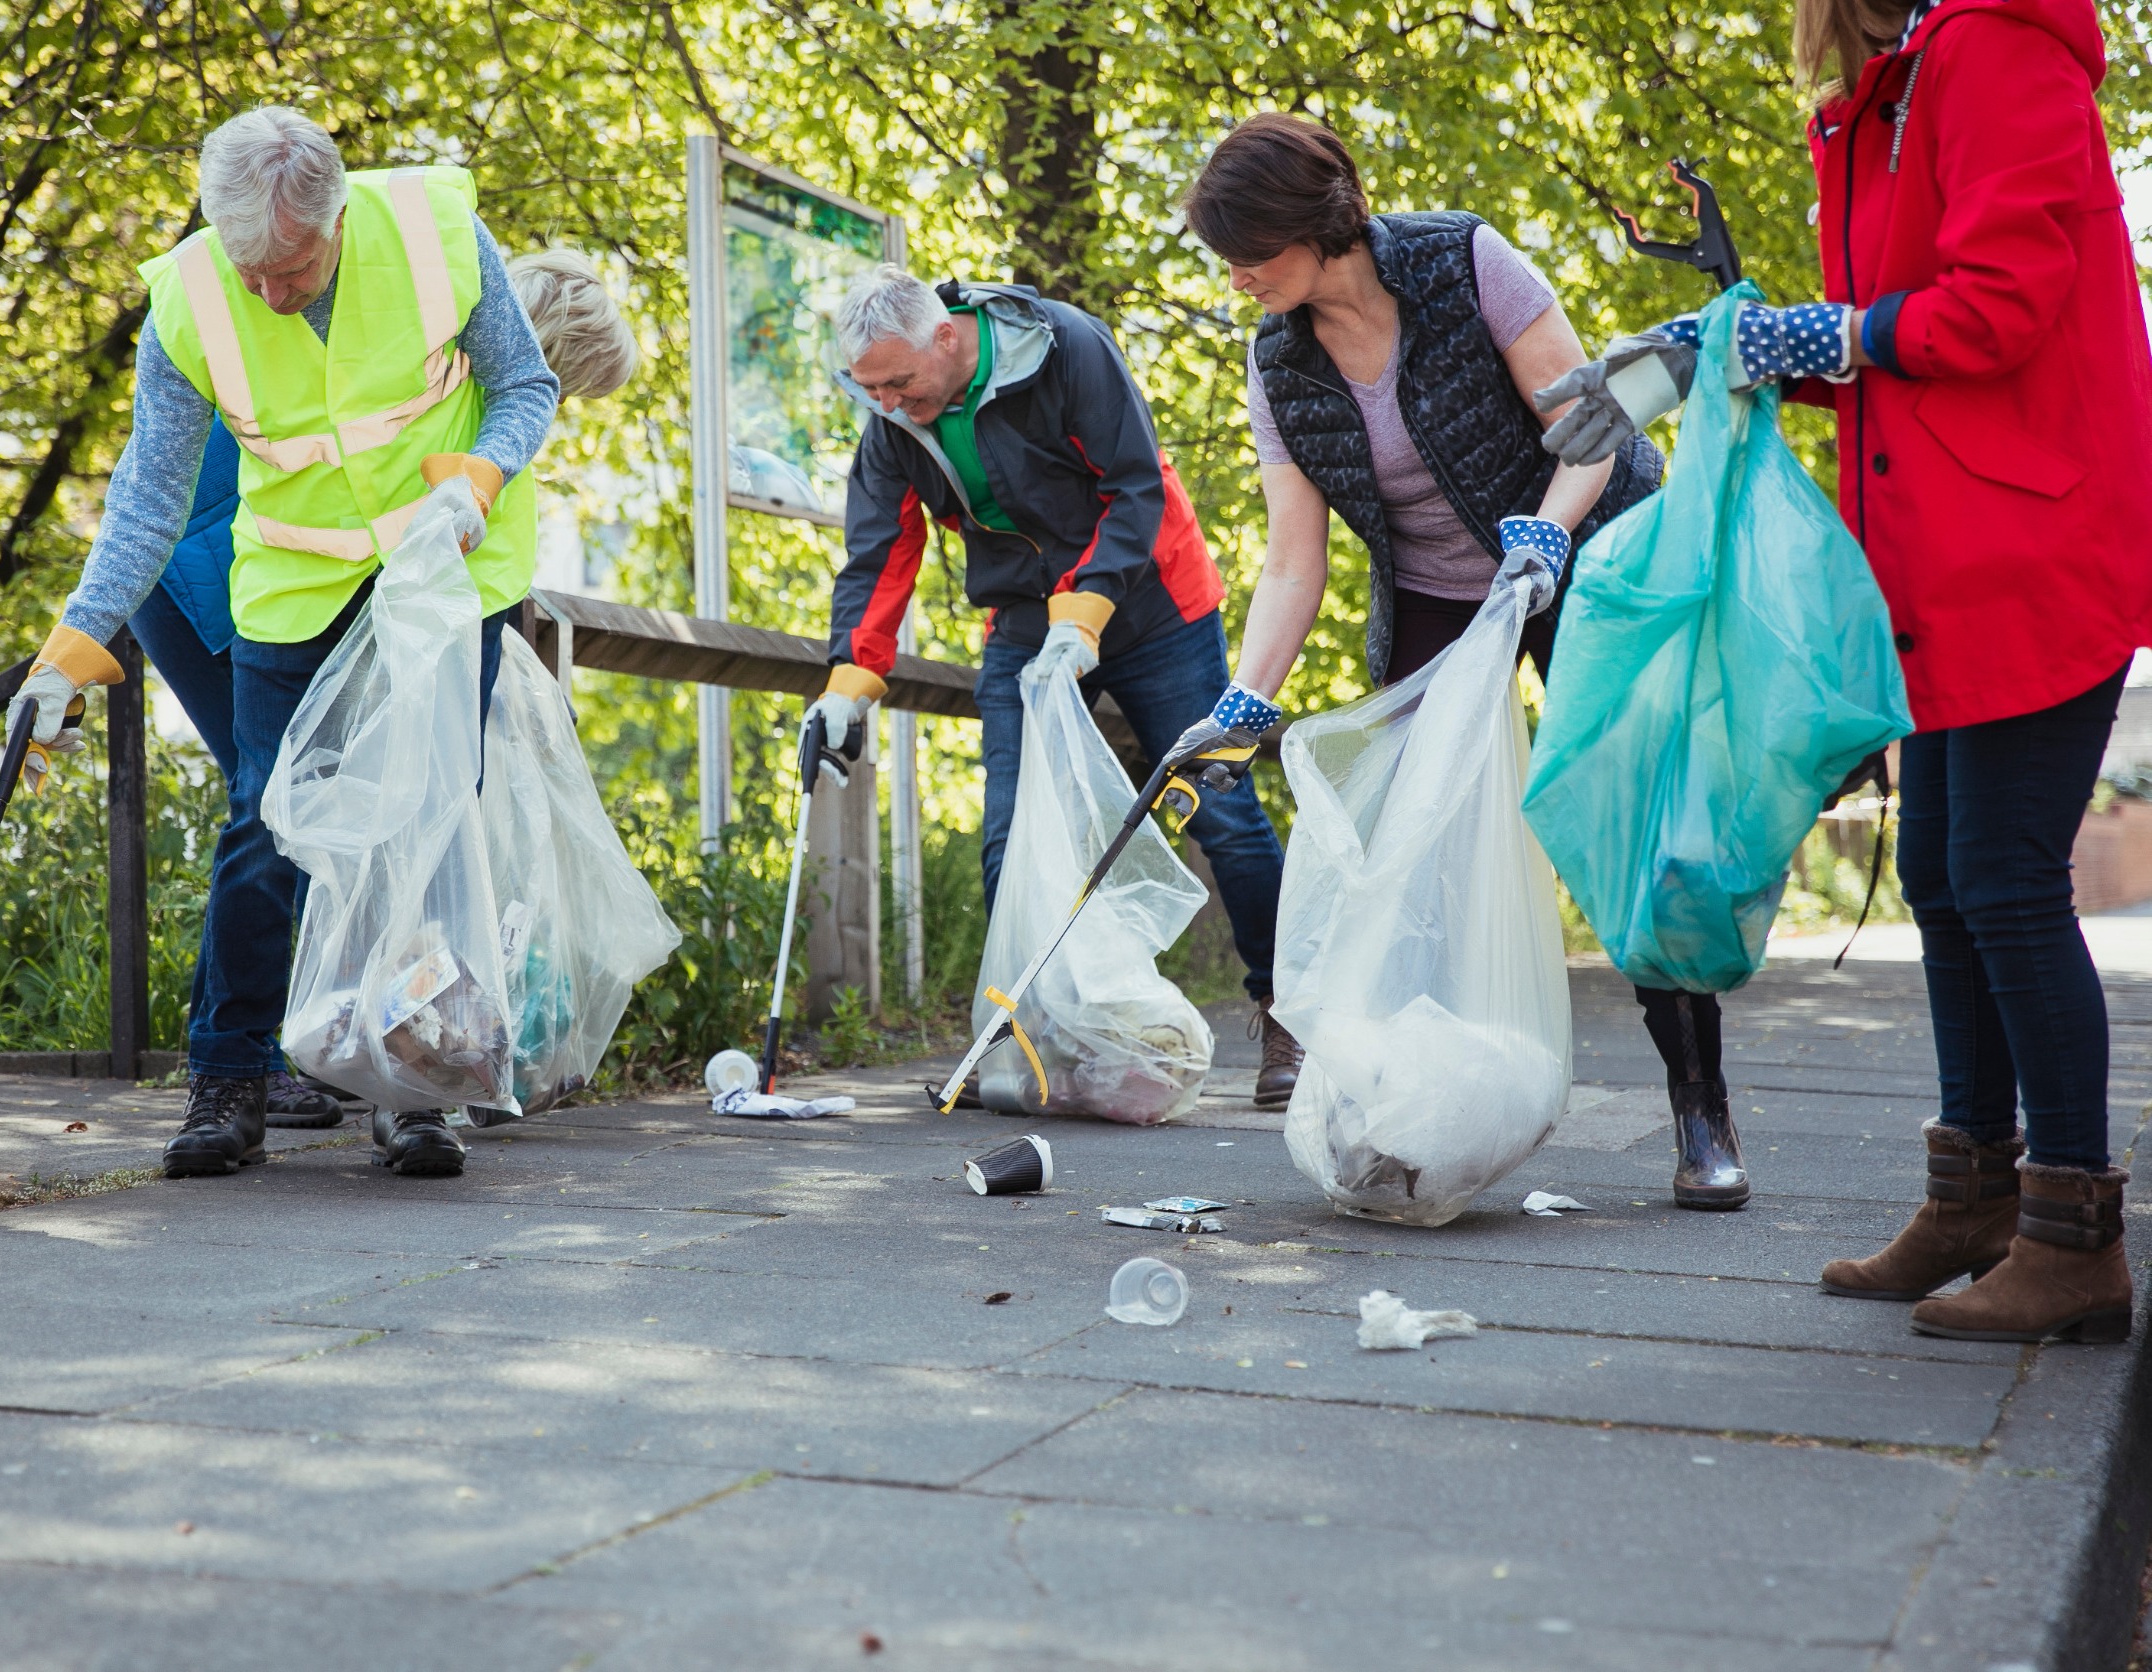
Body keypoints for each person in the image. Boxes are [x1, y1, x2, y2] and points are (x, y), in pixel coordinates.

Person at [1541, 0, 2152, 1338]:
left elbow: (1994, 312)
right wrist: (1705, 356)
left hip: (2034, 542)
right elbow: (1895, 341)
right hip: (1950, 556)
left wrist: (1803, 338)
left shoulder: (1993, 51)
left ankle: (2073, 1241)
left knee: (1999, 874)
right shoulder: (1903, 83)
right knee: (1941, 870)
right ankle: (1977, 1199)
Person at [1161, 117, 1775, 1208]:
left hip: (1586, 547)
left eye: (1252, 248)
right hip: (1442, 599)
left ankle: (1699, 1103)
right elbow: (1294, 562)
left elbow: (1587, 421)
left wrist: (1543, 538)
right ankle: (1407, 1109)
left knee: (1626, 828)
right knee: (1405, 850)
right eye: (1229, 257)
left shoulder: (1460, 259)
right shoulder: (1280, 362)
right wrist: (1245, 696)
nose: (1239, 275)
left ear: (1317, 220)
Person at [15, 107, 560, 1182]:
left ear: (337, 217)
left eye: (292, 265)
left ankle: (413, 1091)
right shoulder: (187, 297)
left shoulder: (439, 229)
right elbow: (151, 492)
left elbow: (525, 386)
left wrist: (480, 482)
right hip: (295, 579)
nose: (268, 289)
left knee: (428, 821)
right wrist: (73, 642)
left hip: (445, 567)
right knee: (267, 814)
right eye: (247, 266)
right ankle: (227, 1079)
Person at [131, 248, 641, 1133]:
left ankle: (382, 1056)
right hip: (214, 590)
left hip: (270, 590)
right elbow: (218, 519)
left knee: (357, 824)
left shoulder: (448, 381)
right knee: (285, 815)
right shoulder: (413, 379)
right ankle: (261, 1060)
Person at [814, 265, 1301, 1109]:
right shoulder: (892, 418)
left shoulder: (1065, 347)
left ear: (946, 337)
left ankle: (1291, 1014)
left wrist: (1087, 617)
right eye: (870, 390)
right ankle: (1027, 1037)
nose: (887, 403)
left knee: (1220, 809)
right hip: (1024, 618)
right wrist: (851, 682)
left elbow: (1133, 487)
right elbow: (880, 549)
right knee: (1009, 833)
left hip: (1155, 603)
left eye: (897, 382)